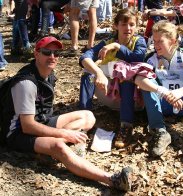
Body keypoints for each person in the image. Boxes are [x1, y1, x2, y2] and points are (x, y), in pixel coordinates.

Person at [1, 36, 133, 191]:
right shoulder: (26, 83)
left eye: (56, 53)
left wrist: (61, 133)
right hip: (17, 133)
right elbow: (27, 126)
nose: (52, 57)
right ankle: (112, 180)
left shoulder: (48, 74)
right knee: (59, 145)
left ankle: (48, 152)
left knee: (87, 116)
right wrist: (63, 134)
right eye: (46, 52)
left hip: (41, 121)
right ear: (36, 54)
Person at [135, 21, 183, 157]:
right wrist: (163, 92)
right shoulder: (151, 58)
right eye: (154, 41)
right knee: (147, 82)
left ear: (173, 41)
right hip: (162, 105)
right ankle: (160, 131)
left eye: (160, 41)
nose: (155, 45)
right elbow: (138, 79)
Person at [79, 8, 149, 149]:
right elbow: (84, 57)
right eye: (123, 24)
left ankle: (126, 126)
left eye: (131, 24)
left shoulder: (139, 41)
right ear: (116, 26)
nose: (128, 28)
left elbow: (137, 57)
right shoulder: (107, 43)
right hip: (111, 94)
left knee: (125, 76)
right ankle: (83, 119)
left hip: (133, 99)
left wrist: (116, 46)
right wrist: (98, 73)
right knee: (88, 74)